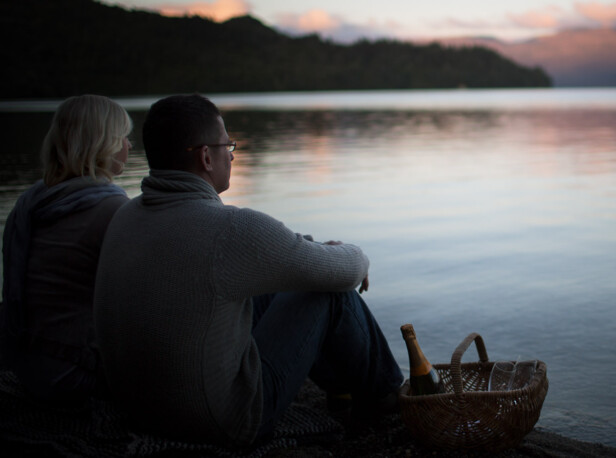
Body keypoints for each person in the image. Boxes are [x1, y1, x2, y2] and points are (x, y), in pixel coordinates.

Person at [94, 94, 403, 447]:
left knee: (277, 280)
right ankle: (388, 394)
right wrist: (353, 254)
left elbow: (273, 253)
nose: (232, 154)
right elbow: (346, 271)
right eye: (228, 145)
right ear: (206, 157)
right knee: (326, 294)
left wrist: (313, 251)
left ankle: (343, 388)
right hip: (222, 422)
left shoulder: (124, 216)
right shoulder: (229, 229)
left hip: (139, 410)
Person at [0, 95, 132, 403]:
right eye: (122, 137)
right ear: (102, 142)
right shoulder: (111, 208)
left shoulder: (31, 202)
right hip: (76, 374)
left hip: (27, 366)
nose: (128, 146)